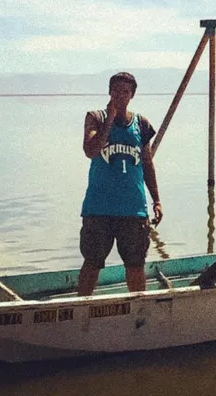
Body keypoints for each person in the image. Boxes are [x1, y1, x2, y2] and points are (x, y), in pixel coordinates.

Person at [78, 72, 162, 296]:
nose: (120, 95)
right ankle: (81, 310)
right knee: (92, 263)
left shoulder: (141, 124)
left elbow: (147, 163)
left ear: (132, 95)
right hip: (98, 209)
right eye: (116, 90)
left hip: (132, 210)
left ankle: (138, 310)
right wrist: (110, 119)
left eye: (125, 92)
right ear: (109, 92)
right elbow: (91, 151)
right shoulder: (95, 117)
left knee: (135, 265)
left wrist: (157, 200)